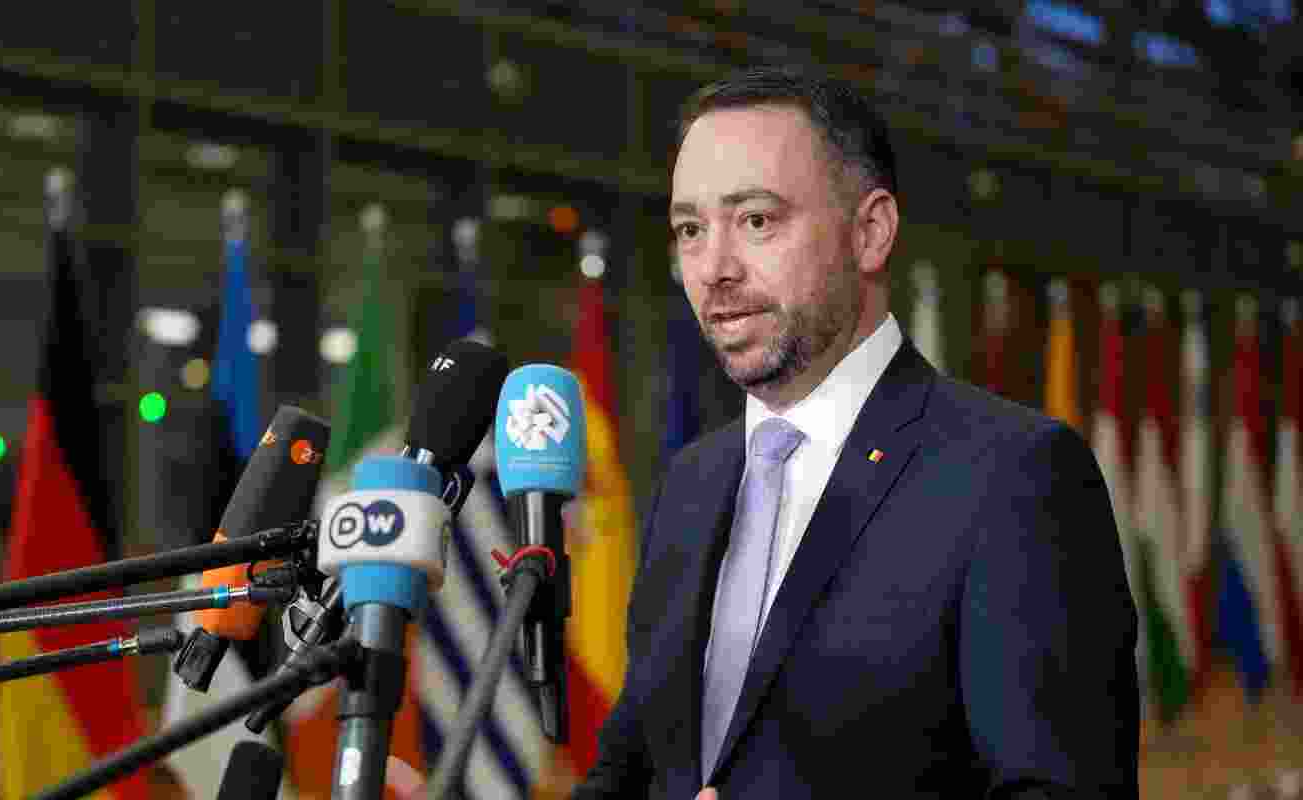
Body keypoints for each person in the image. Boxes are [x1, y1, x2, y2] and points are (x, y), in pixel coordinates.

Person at [391, 65, 1139, 799]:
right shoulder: (691, 483)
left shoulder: (1014, 475)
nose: (713, 268)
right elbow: (635, 765)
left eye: (756, 220)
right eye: (690, 229)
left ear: (870, 232)